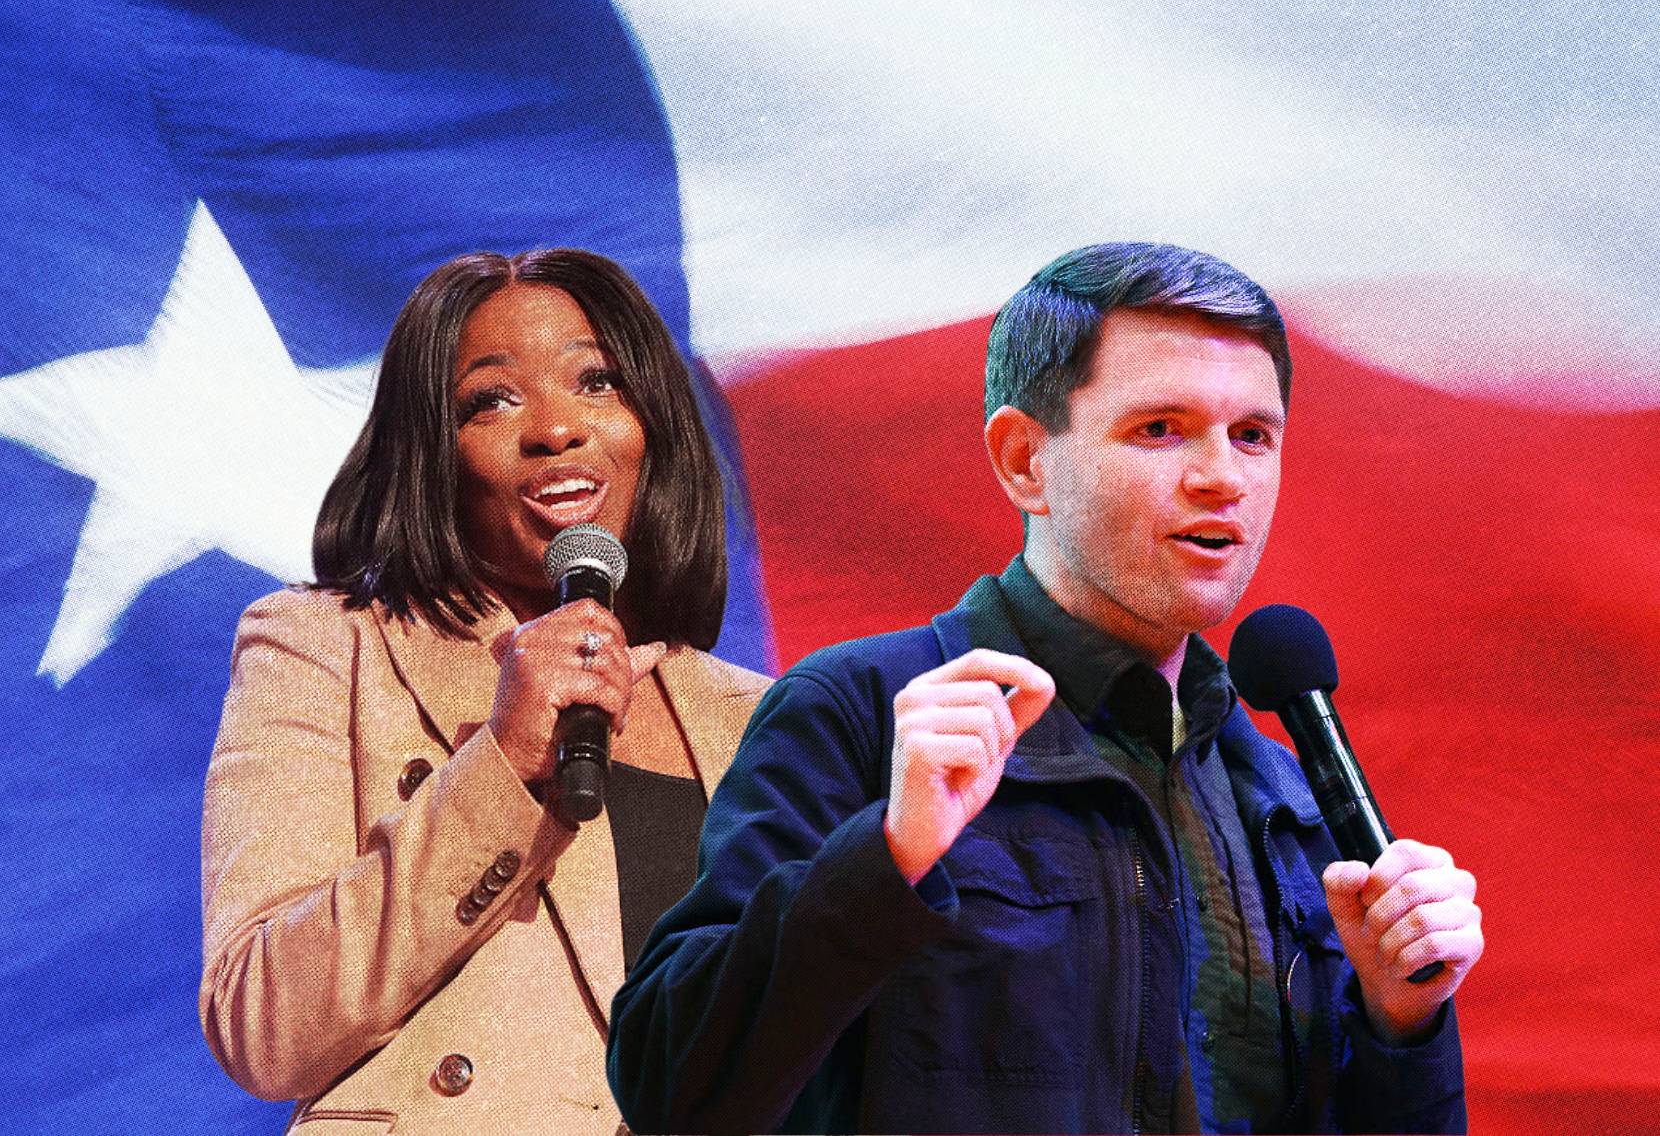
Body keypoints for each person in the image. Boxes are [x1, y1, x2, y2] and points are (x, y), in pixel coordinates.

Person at [608, 242, 1484, 1134]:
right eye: (1161, 428)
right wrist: (887, 856)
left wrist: (1401, 1026)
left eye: (1253, 435)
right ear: (1026, 460)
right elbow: (671, 1090)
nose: (1223, 477)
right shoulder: (862, 710)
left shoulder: (1278, 794)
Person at [199, 248, 769, 1134]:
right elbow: (263, 1025)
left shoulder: (763, 719)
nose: (556, 429)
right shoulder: (328, 647)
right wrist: (501, 763)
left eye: (597, 383)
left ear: (653, 425)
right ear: (434, 454)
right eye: (492, 400)